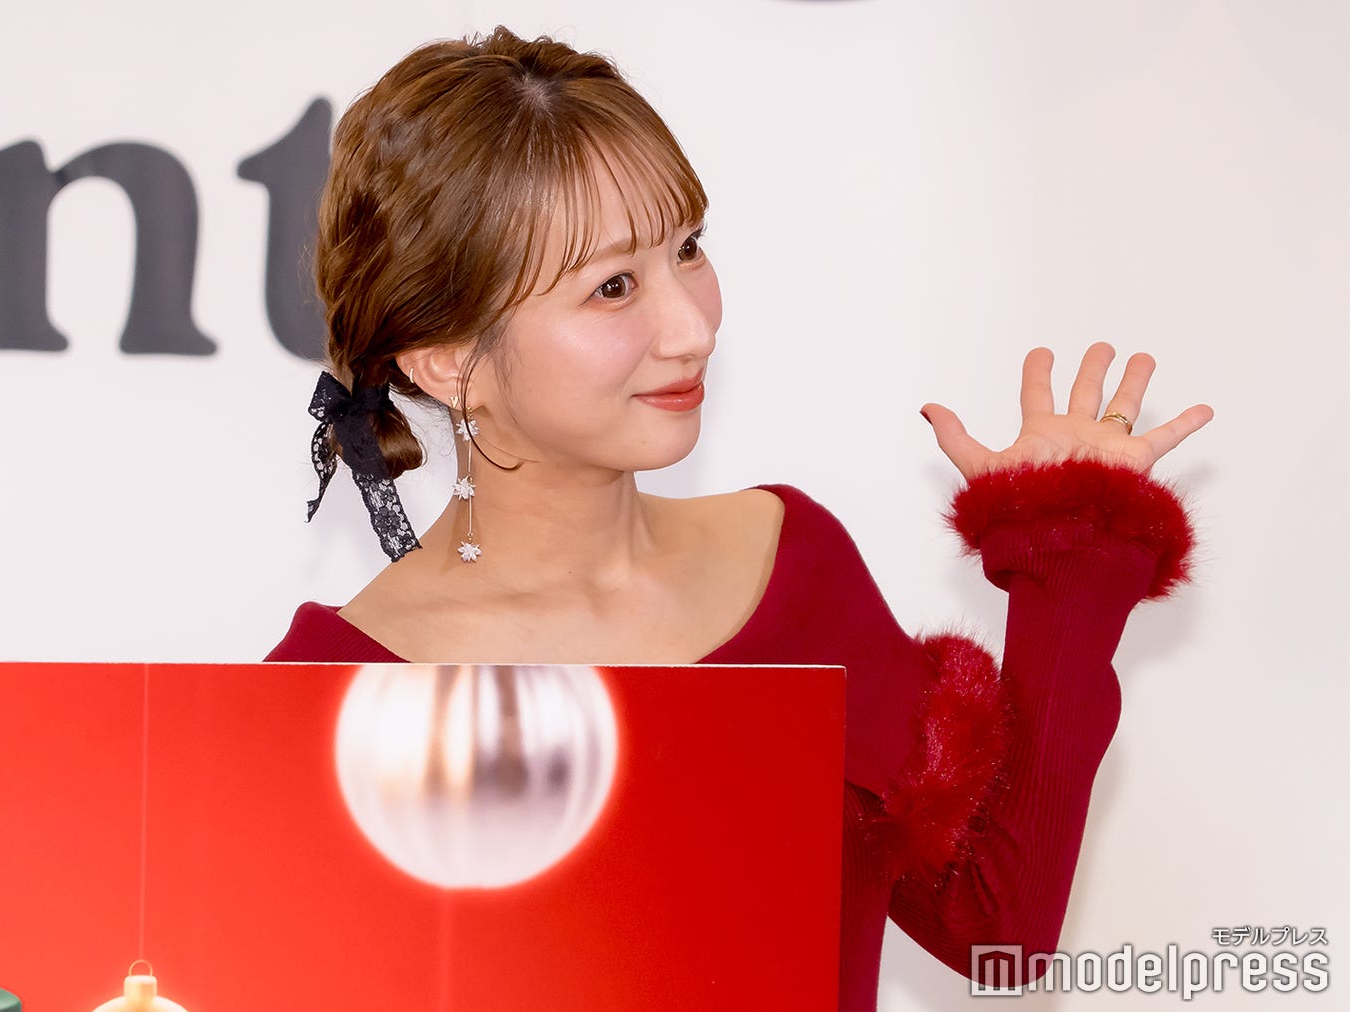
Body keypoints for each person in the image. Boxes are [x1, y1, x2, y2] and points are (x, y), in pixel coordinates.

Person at [265, 26, 1213, 1010]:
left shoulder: (787, 564)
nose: (691, 327)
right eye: (613, 287)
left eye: (687, 249)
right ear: (447, 357)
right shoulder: (331, 695)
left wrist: (1068, 553)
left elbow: (995, 924)